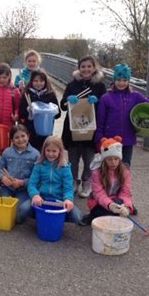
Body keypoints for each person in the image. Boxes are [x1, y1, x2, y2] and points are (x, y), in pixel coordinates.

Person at [95, 63, 149, 167]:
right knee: (109, 170)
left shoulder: (135, 96)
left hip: (127, 141)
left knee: (125, 169)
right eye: (119, 80)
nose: (121, 83)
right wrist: (99, 140)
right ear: (114, 80)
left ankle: (124, 184)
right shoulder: (106, 98)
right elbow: (100, 122)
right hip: (110, 141)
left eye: (125, 80)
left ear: (128, 81)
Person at [60, 55, 107, 198]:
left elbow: (105, 108)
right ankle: (73, 181)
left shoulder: (100, 86)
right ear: (79, 68)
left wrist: (97, 101)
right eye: (83, 66)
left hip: (90, 129)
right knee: (72, 159)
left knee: (89, 159)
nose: (86, 69)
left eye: (89, 66)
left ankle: (87, 182)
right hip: (73, 129)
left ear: (94, 68)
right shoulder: (72, 85)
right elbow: (62, 106)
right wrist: (67, 100)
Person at [28, 136, 83, 224]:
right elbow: (32, 184)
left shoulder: (65, 167)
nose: (50, 154)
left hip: (59, 201)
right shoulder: (39, 165)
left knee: (78, 218)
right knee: (22, 212)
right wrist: (35, 195)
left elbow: (68, 188)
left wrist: (68, 199)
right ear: (44, 150)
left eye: (54, 151)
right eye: (48, 150)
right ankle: (42, 216)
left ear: (60, 152)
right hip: (41, 199)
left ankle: (56, 217)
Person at [80, 136, 134, 225]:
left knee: (120, 208)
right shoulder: (97, 173)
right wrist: (110, 205)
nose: (113, 162)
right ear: (104, 160)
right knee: (105, 214)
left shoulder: (125, 172)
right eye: (109, 159)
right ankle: (93, 216)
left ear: (120, 159)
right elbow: (98, 193)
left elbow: (126, 192)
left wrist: (127, 206)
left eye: (116, 159)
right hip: (98, 202)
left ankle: (126, 209)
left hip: (117, 200)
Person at [0, 124, 39, 224]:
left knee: (17, 218)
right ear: (12, 139)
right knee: (5, 211)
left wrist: (22, 182)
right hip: (8, 188)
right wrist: (2, 178)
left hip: (24, 190)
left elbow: (37, 178)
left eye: (23, 136)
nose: (20, 139)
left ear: (28, 136)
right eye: (16, 137)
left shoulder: (36, 154)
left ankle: (29, 208)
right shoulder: (7, 152)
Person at [19, 69, 61, 151]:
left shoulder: (50, 94)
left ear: (46, 81)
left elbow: (58, 114)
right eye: (36, 81)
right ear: (31, 81)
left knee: (45, 157)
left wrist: (51, 111)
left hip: (46, 133)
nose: (38, 83)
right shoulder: (27, 93)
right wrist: (28, 110)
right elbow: (21, 114)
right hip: (30, 133)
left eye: (41, 81)